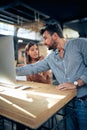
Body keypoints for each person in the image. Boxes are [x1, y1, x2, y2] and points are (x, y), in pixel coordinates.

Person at [16, 23, 87, 130]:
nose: (44, 42)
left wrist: (76, 83)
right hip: (67, 104)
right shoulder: (51, 58)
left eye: (45, 38)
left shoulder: (80, 43)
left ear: (55, 36)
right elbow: (33, 67)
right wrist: (11, 70)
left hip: (84, 102)